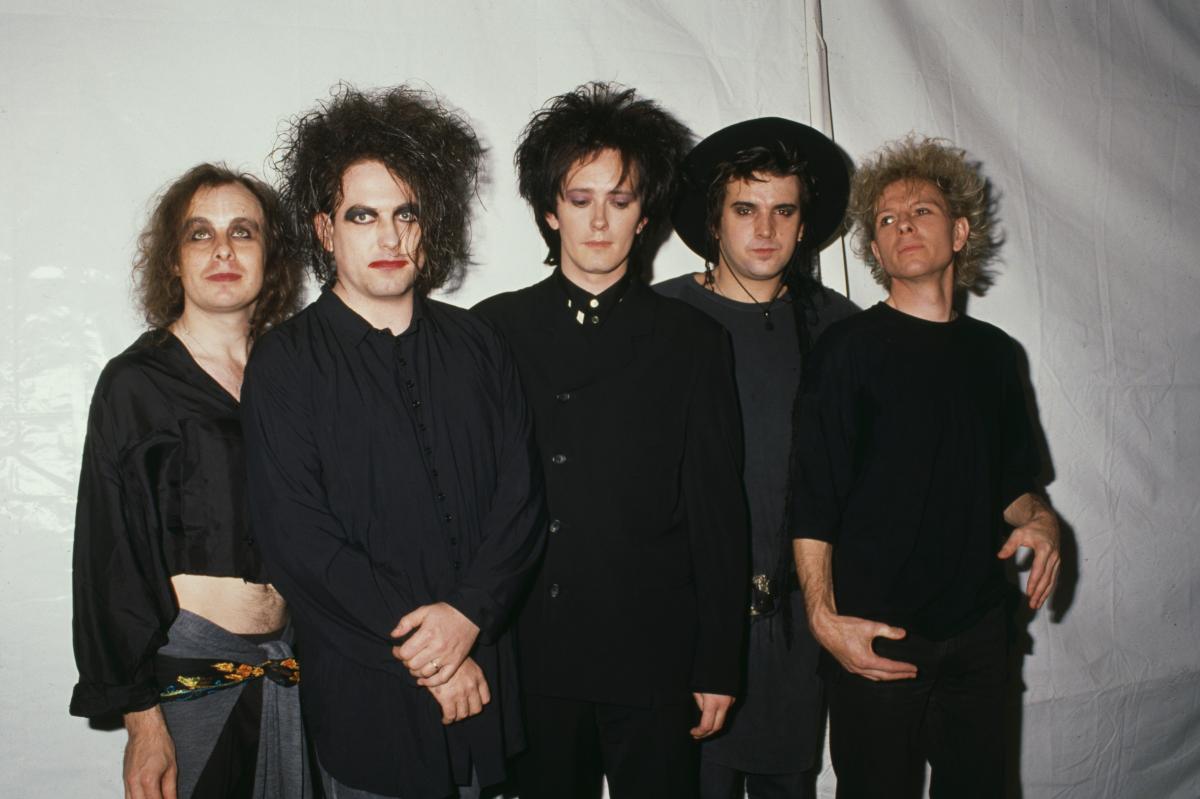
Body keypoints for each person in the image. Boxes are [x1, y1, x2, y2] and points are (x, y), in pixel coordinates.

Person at [241, 85, 545, 799]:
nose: (389, 237)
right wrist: (433, 656)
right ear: (325, 230)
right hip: (370, 693)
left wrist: (467, 616)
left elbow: (521, 499)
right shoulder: (285, 361)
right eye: (363, 215)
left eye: (406, 213)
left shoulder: (477, 343)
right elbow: (299, 541)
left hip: (486, 680)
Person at [473, 82, 749, 799]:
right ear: (549, 209)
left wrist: (719, 661)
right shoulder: (493, 329)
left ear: (645, 214)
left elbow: (719, 513)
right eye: (580, 198)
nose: (598, 220)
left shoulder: (693, 341)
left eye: (619, 200)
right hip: (533, 649)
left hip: (652, 653)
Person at [791, 136, 1062, 798]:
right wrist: (824, 620)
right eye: (887, 220)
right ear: (876, 251)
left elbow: (1012, 485)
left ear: (960, 232)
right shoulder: (845, 350)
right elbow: (811, 500)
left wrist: (1042, 519)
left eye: (921, 211)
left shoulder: (995, 355)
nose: (903, 226)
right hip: (877, 638)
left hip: (978, 632)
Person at [70, 163, 309, 799]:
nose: (223, 250)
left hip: (291, 669)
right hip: (186, 680)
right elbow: (109, 558)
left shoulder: (294, 377)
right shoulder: (136, 384)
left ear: (270, 256)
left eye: (243, 232)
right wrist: (142, 721)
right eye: (200, 234)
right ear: (174, 261)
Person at [657, 117, 856, 799]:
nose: (765, 228)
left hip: (798, 631)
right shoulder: (661, 317)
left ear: (804, 225)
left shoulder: (838, 327)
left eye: (784, 210)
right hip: (686, 627)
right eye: (745, 208)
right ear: (714, 221)